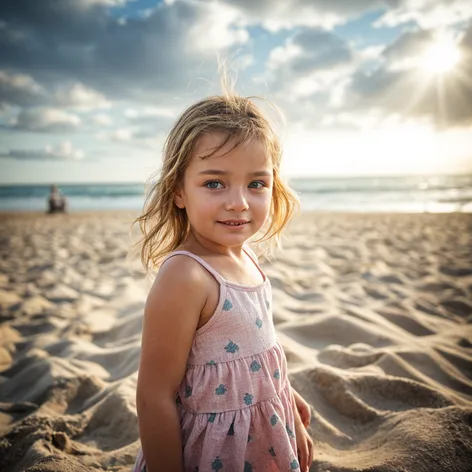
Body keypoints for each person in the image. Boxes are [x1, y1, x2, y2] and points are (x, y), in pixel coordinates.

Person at [131, 89, 314, 472]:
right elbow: (154, 398)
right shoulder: (187, 276)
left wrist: (285, 399)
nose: (239, 202)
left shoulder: (246, 256)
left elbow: (260, 354)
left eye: (257, 184)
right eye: (215, 183)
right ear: (178, 190)